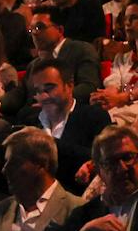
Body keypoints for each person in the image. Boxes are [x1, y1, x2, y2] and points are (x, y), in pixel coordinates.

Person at [19, 58, 111, 190]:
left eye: (49, 88)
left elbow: (101, 157)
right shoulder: (29, 120)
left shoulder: (94, 116)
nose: (43, 96)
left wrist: (48, 143)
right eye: (38, 91)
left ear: (69, 85)